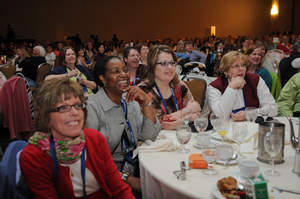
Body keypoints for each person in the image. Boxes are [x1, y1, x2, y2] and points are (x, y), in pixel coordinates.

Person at [20, 79, 135, 198]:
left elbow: (118, 188)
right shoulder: (33, 156)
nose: (75, 112)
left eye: (78, 105)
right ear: (46, 116)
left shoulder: (94, 139)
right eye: (63, 107)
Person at [86, 56, 160, 193]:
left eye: (124, 70)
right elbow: (94, 162)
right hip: (109, 178)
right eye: (116, 71)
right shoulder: (92, 108)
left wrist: (146, 102)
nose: (123, 75)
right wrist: (129, 179)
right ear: (102, 78)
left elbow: (149, 136)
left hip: (136, 165)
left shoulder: (130, 101)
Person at [138, 45, 201, 130]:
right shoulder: (143, 91)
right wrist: (186, 111)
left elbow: (197, 112)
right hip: (156, 141)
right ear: (152, 66)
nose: (170, 67)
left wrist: (181, 121)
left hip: (181, 138)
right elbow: (155, 124)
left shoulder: (180, 86)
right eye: (163, 63)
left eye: (172, 63)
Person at [208, 51, 277, 121]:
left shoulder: (255, 80)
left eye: (243, 65)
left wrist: (250, 114)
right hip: (226, 128)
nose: (241, 69)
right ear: (226, 71)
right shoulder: (215, 86)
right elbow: (220, 115)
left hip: (252, 126)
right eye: (236, 66)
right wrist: (231, 87)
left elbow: (273, 108)